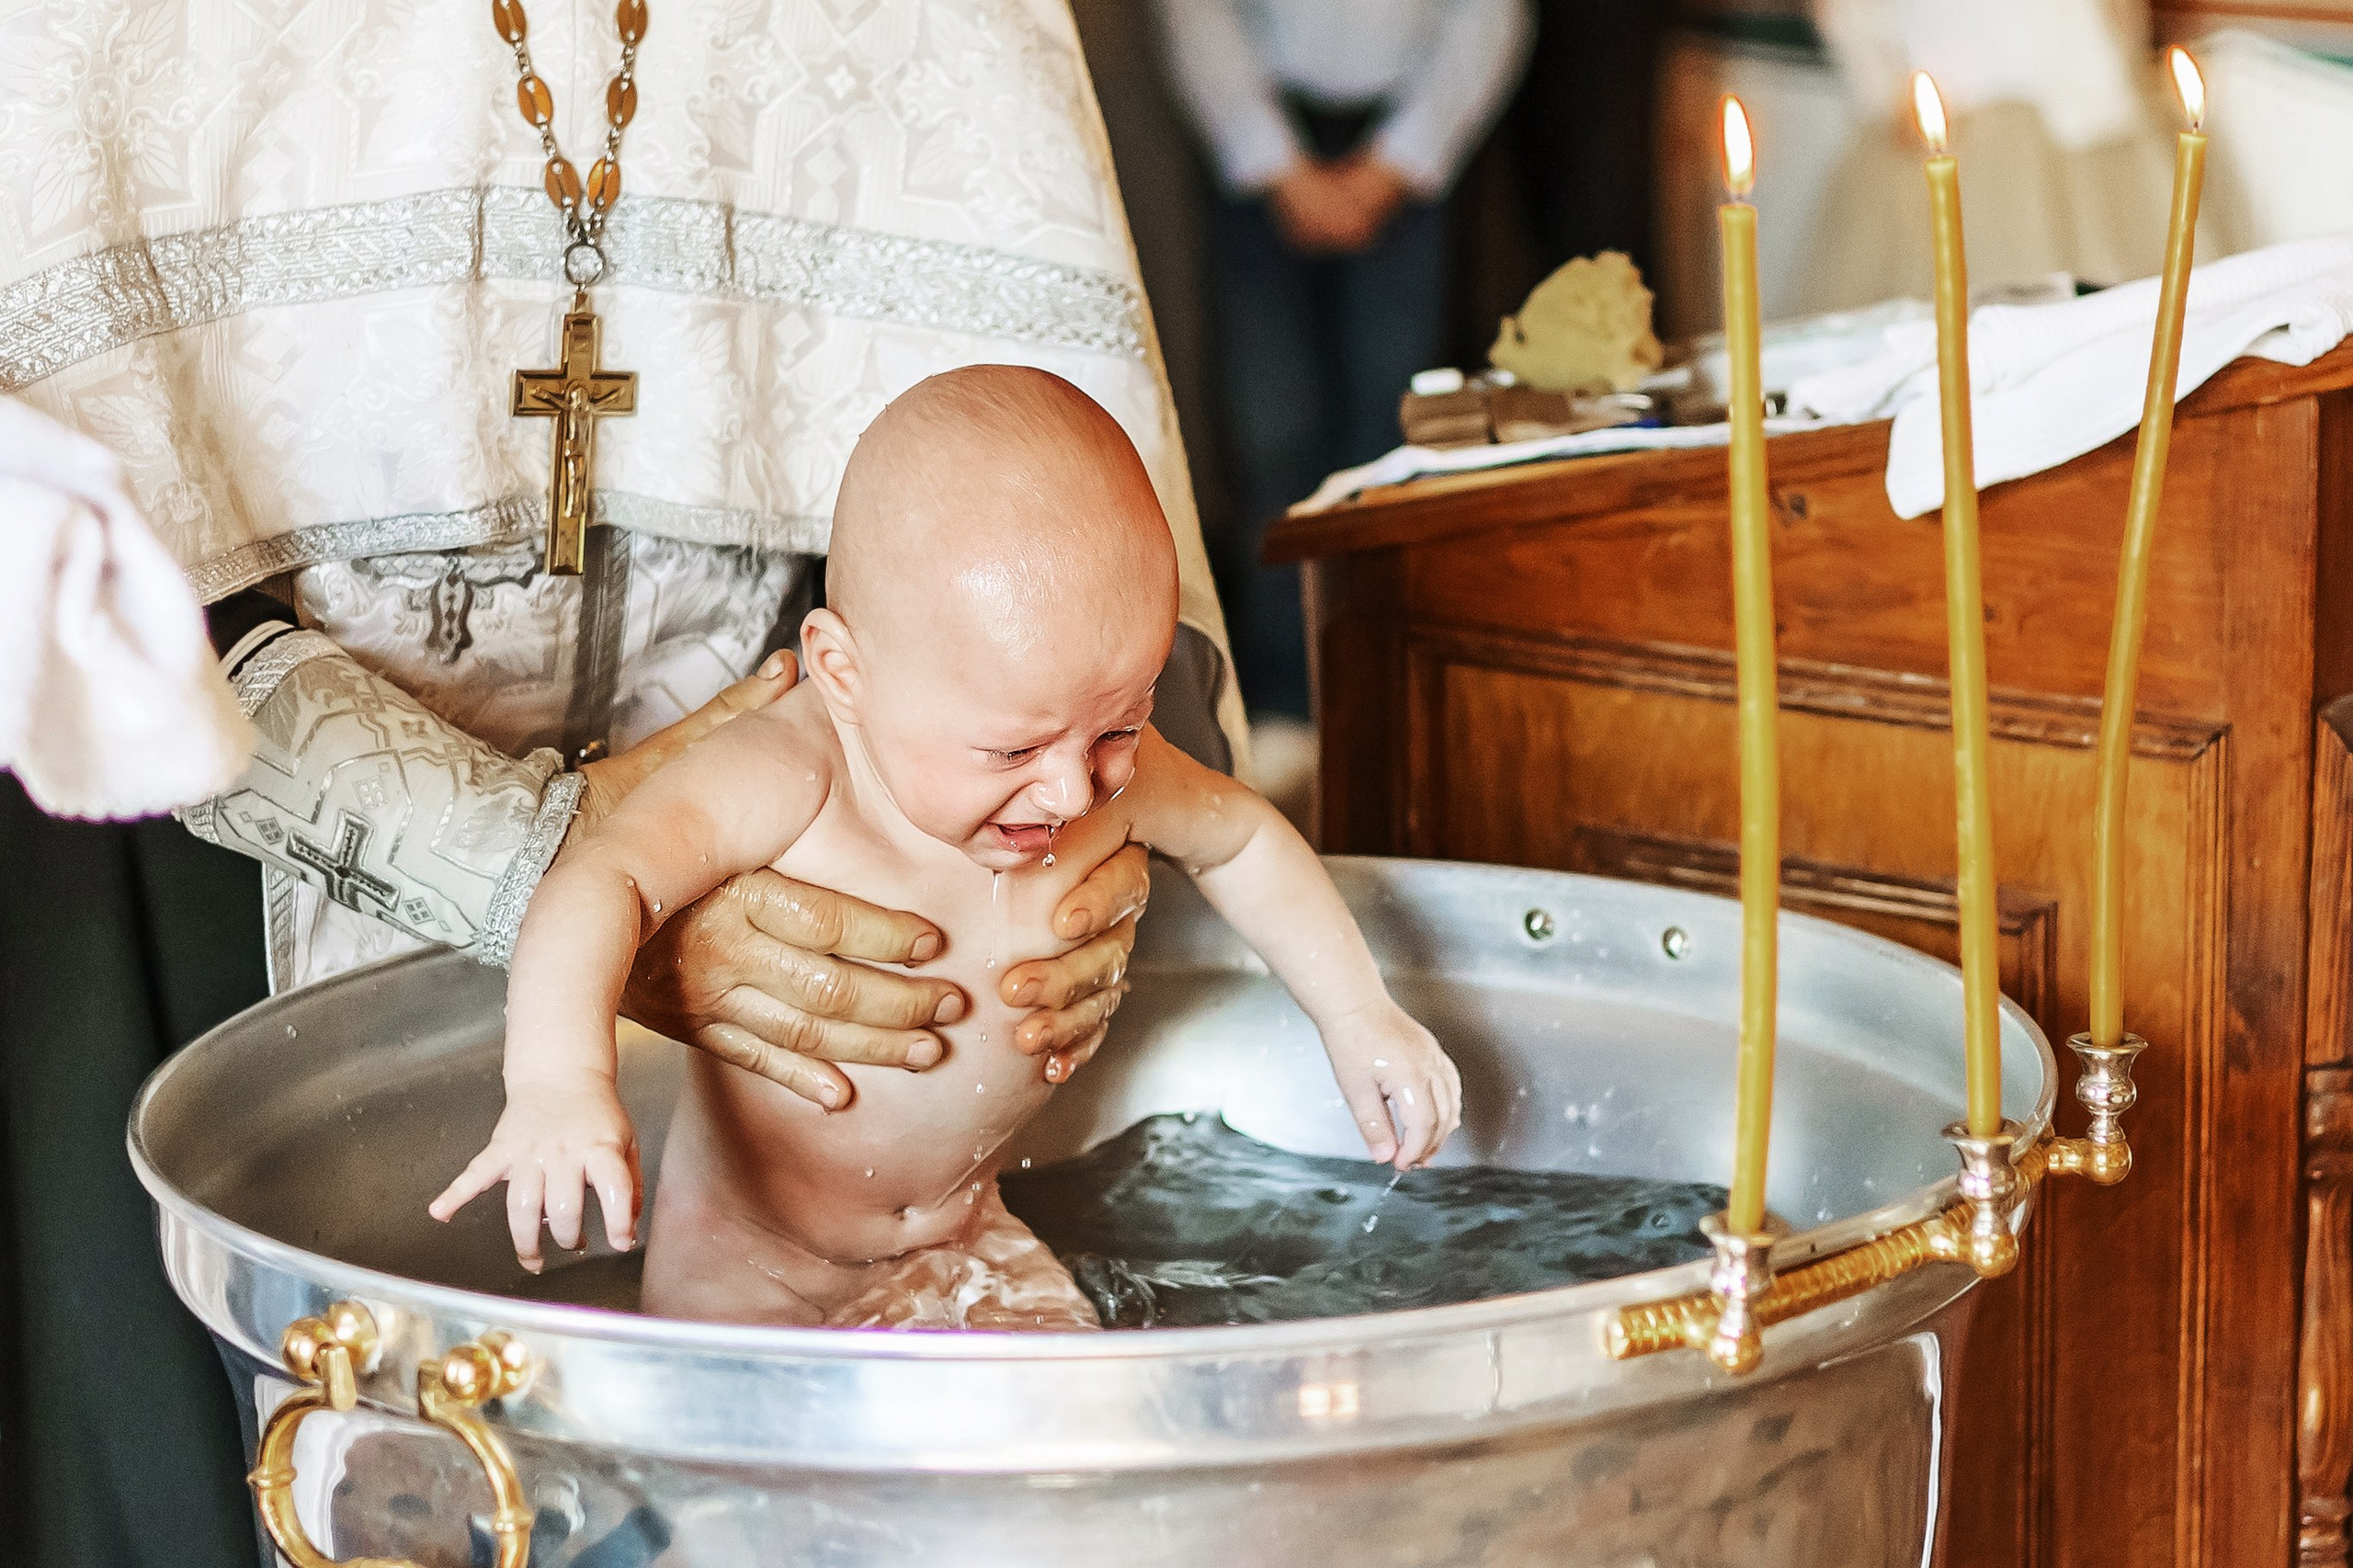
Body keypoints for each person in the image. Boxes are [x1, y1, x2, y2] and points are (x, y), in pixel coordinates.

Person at [0, 1, 1244, 1560]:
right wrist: (544, 867)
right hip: (201, 876)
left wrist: (1014, 804)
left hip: (828, 859)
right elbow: (50, 519)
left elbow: (1039, 497)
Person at [431, 367, 1461, 1329]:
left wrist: (1357, 1012)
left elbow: (1238, 836)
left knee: (1090, 1450)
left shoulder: (1084, 745)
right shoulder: (794, 772)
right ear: (843, 672)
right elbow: (601, 875)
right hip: (747, 1262)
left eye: (1119, 724)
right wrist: (559, 1083)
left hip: (968, 1238)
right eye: (1011, 746)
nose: (1071, 787)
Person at [1154, 0, 1532, 719]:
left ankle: (1379, 683)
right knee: (1273, 435)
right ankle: (1283, 697)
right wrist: (1272, 161)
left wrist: (1400, 161)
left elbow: (1489, 18)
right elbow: (1194, 14)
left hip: (1408, 134)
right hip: (1266, 135)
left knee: (1389, 433)